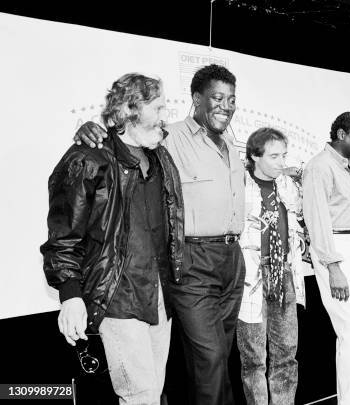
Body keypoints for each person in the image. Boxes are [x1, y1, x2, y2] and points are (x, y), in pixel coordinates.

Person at [74, 64, 245, 405]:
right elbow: (121, 143)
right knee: (202, 361)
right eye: (217, 97)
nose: (226, 105)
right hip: (187, 263)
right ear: (196, 99)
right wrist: (91, 130)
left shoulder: (225, 142)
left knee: (219, 358)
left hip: (222, 263)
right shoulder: (172, 137)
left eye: (231, 99)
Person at [41, 73, 184, 405]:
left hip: (161, 297)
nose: (165, 116)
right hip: (118, 296)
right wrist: (70, 295)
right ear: (130, 109)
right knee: (139, 396)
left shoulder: (160, 155)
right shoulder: (87, 159)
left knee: (152, 391)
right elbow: (63, 236)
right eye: (158, 107)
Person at [302, 111, 350, 405]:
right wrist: (333, 267)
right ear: (341, 135)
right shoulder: (320, 166)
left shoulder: (348, 166)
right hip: (338, 252)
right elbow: (317, 220)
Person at [236, 127, 305, 404]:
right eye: (274, 156)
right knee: (253, 358)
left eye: (283, 155)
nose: (281, 162)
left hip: (284, 274)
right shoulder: (239, 185)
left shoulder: (287, 186)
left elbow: (299, 218)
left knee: (287, 353)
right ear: (254, 156)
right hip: (251, 278)